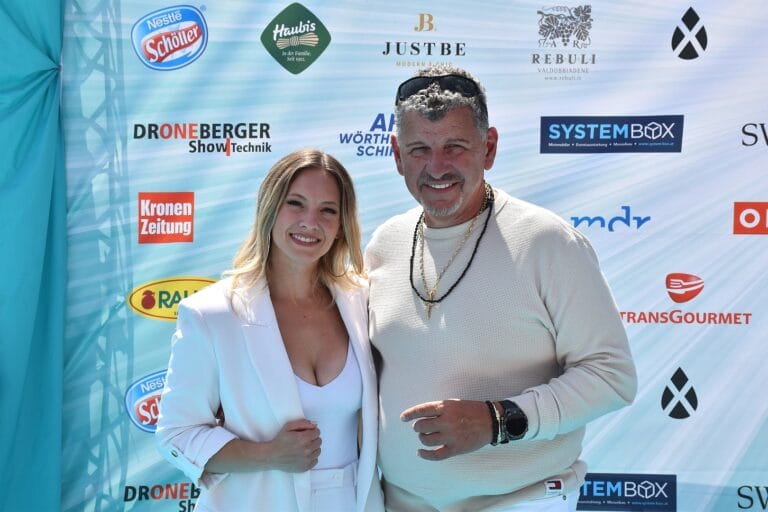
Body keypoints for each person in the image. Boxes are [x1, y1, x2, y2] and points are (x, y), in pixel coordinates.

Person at [364, 65, 637, 511]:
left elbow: (611, 377)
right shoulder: (384, 243)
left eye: (454, 147)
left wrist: (495, 420)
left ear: (488, 148)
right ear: (397, 155)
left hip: (520, 502)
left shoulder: (547, 241)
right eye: (419, 149)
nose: (436, 167)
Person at [156, 149, 385, 512]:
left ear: (342, 225)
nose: (310, 222)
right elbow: (176, 434)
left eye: (327, 210)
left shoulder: (362, 302)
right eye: (296, 203)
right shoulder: (212, 314)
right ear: (269, 208)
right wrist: (268, 455)